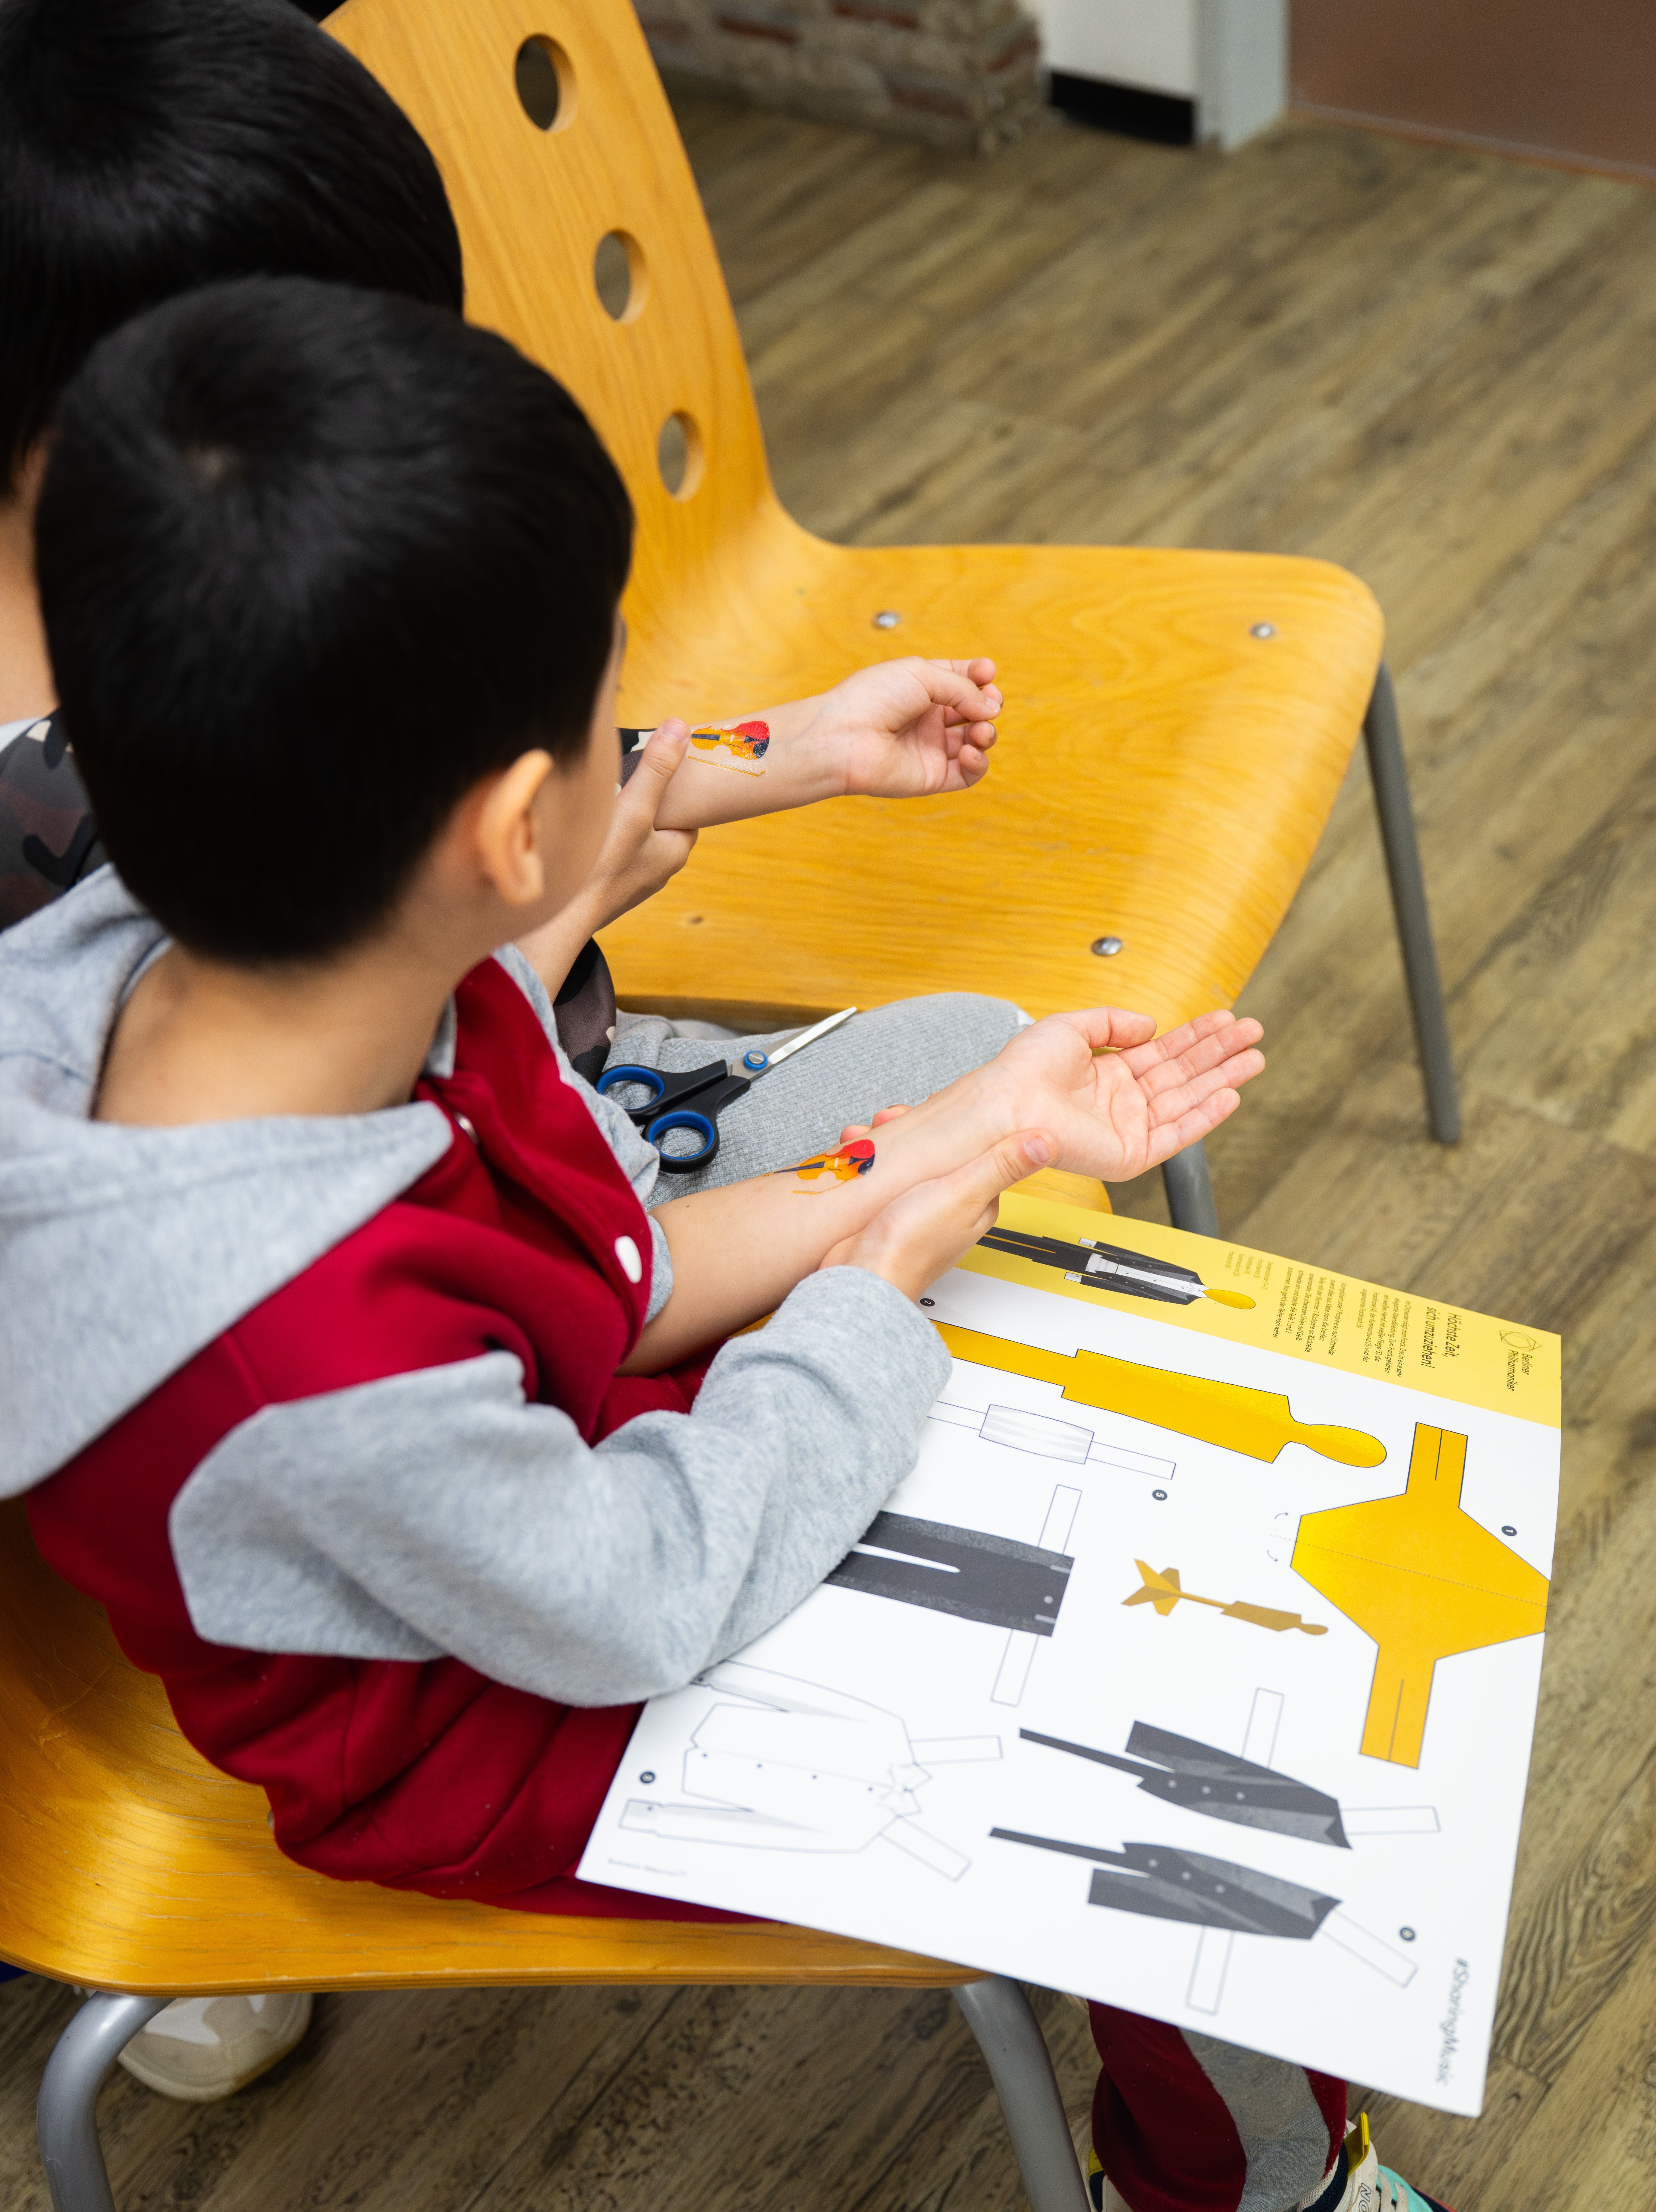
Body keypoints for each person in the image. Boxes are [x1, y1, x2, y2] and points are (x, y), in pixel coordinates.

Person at [0, 275, 1447, 2212]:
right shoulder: (294, 1360)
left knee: (968, 1104)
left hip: (533, 1458)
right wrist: (865, 1291)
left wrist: (967, 1139)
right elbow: (637, 1594)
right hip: (503, 1710)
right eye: (622, 725)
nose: (651, 762)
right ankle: (1252, 2190)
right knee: (1177, 1761)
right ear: (517, 834)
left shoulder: (293, 957)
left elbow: (589, 1263)